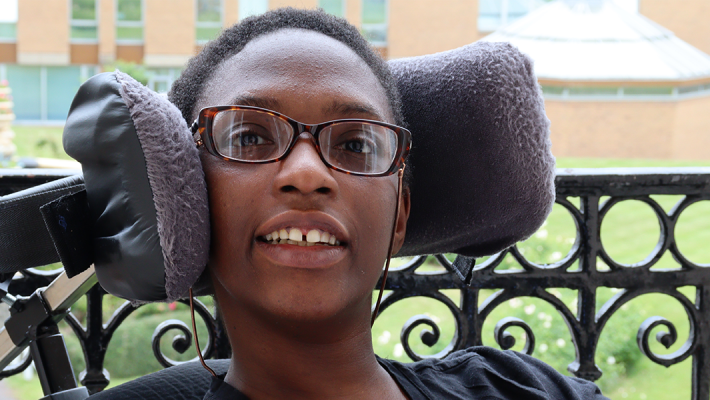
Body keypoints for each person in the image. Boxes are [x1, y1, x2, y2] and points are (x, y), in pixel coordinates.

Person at [92, 7, 607, 400]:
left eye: (355, 145)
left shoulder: (519, 387)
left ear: (399, 214)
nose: (307, 174)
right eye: (248, 137)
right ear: (187, 204)